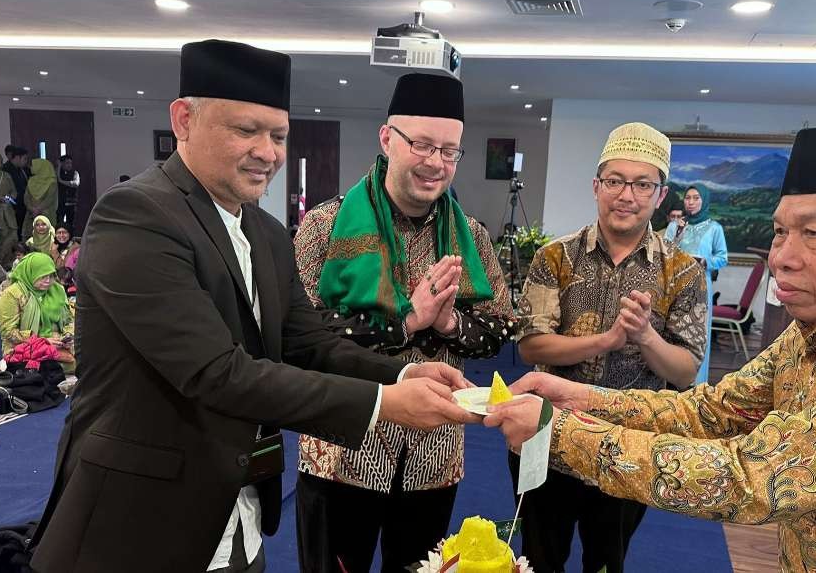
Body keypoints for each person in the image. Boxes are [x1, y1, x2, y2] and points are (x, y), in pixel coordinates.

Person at [29, 39, 477, 573]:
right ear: (183, 120)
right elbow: (217, 373)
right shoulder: (136, 216)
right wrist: (383, 404)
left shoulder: (262, 229)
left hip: (235, 511)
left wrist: (401, 374)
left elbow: (306, 341)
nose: (268, 151)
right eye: (245, 130)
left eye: (279, 135)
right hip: (139, 521)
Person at [488, 126, 816, 572]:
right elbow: (715, 410)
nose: (782, 258)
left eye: (813, 234)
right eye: (780, 231)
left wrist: (559, 430)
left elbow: (749, 477)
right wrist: (584, 399)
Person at [294, 73, 516, 572]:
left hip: (432, 459)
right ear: (387, 138)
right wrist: (407, 322)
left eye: (449, 151)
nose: (435, 162)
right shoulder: (325, 226)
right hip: (342, 450)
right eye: (421, 144)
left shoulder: (472, 238)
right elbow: (302, 333)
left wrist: (449, 325)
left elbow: (501, 330)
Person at [510, 122, 708, 573]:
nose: (627, 195)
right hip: (545, 434)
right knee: (539, 556)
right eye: (615, 181)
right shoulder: (554, 257)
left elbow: (684, 372)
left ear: (661, 196)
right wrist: (606, 341)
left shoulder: (683, 272)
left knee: (607, 559)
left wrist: (645, 337)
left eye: (642, 184)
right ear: (597, 186)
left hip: (628, 444)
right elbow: (531, 346)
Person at [664, 184, 727, 385]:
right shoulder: (676, 226)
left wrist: (705, 261)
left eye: (696, 198)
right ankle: (670, 378)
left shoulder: (714, 229)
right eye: (688, 198)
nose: (691, 202)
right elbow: (663, 252)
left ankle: (696, 383)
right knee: (672, 328)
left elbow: (723, 258)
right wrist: (678, 233)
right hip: (675, 285)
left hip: (701, 285)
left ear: (704, 201)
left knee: (698, 332)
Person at [0, 251, 74, 372]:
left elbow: (69, 320)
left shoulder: (57, 290)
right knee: (51, 369)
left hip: (58, 344)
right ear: (30, 273)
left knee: (89, 360)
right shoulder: (12, 294)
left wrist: (68, 336)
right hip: (24, 347)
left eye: (51, 276)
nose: (48, 281)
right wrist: (43, 342)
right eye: (42, 276)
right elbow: (8, 332)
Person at [2, 145, 31, 240]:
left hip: (22, 206)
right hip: (12, 207)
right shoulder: (6, 170)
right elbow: (5, 192)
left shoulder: (22, 170)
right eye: (25, 159)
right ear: (17, 157)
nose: (26, 161)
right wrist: (12, 204)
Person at [25, 158, 58, 230]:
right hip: (32, 214)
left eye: (33, 166)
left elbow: (50, 198)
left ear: (40, 167)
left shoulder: (52, 182)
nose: (31, 168)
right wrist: (32, 209)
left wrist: (37, 210)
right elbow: (26, 198)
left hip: (46, 214)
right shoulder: (31, 180)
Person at [56, 155, 79, 230]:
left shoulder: (75, 173)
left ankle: (70, 239)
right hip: (60, 203)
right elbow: (56, 179)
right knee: (59, 223)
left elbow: (76, 183)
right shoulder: (58, 173)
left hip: (71, 203)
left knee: (70, 223)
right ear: (62, 164)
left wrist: (61, 181)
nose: (69, 165)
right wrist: (59, 167)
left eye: (70, 163)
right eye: (67, 163)